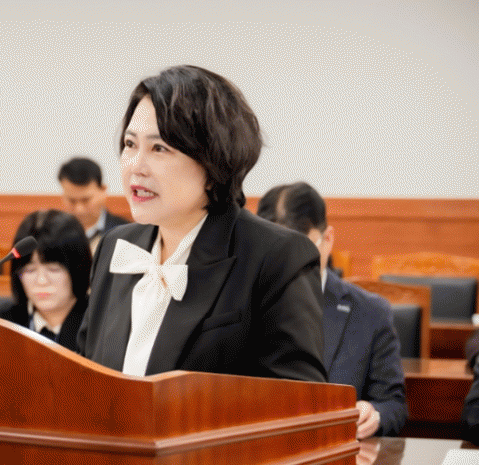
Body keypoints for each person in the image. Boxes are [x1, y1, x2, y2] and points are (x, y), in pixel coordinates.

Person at [77, 65, 327, 382]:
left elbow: (297, 398)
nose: (136, 167)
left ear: (213, 162)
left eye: (159, 148)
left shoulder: (277, 257)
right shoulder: (116, 246)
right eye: (130, 144)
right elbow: (86, 378)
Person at [257, 181, 407, 438]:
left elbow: (394, 405)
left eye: (301, 251)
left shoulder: (371, 312)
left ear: (327, 239)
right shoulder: (242, 304)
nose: (288, 265)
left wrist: (374, 413)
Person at [0, 210, 92, 351]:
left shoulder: (99, 326)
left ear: (77, 269)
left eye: (53, 269)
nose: (41, 281)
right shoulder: (0, 326)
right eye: (30, 270)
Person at [58, 157, 129, 253]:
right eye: (72, 200)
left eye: (86, 200)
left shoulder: (126, 233)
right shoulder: (53, 234)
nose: (79, 209)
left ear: (103, 191)